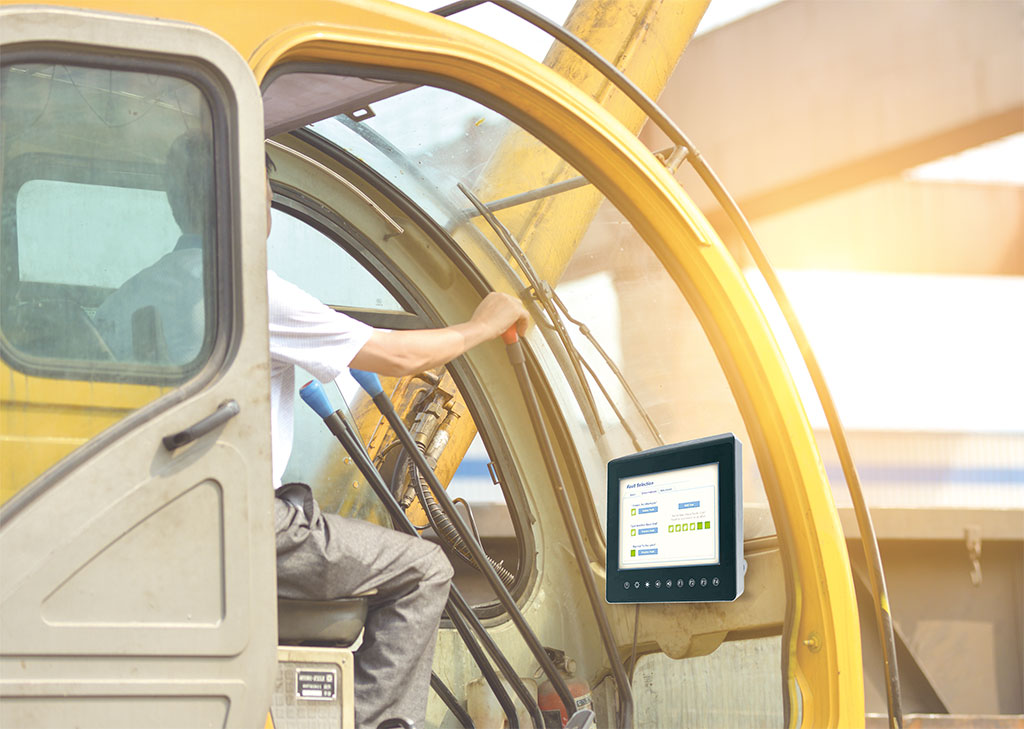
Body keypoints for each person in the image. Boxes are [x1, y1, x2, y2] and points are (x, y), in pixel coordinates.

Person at [98, 134, 528, 729]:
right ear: (247, 199)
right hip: (246, 524)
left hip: (161, 518)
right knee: (425, 568)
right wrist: (483, 325)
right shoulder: (249, 289)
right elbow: (399, 357)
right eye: (265, 189)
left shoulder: (133, 295)